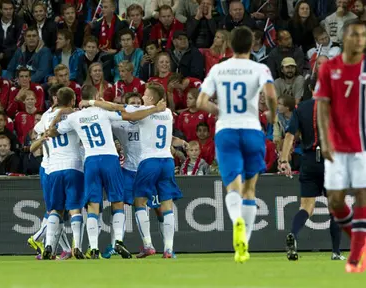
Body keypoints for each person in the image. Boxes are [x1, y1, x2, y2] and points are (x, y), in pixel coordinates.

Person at [50, 85, 166, 259]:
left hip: (91, 160)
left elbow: (52, 132)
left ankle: (94, 247)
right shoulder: (105, 112)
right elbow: (130, 115)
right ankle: (118, 240)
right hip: (110, 159)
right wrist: (154, 109)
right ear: (96, 97)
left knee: (93, 204)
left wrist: (58, 116)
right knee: (117, 201)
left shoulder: (75, 117)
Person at [196, 26, 277, 263]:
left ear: (230, 45)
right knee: (250, 188)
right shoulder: (259, 67)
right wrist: (271, 114)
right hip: (252, 129)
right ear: (252, 46)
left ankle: (236, 221)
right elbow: (271, 94)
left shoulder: (219, 69)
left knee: (233, 187)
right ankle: (246, 244)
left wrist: (218, 110)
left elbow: (201, 101)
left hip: (227, 130)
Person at [80, 83, 184, 259]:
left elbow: (120, 110)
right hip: (166, 161)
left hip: (148, 162)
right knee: (167, 204)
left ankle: (148, 245)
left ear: (150, 98)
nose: (141, 98)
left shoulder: (143, 114)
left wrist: (91, 102)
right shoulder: (167, 113)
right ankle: (168, 249)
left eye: (144, 95)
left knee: (139, 203)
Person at [314, 19, 366, 273]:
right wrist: (324, 140)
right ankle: (361, 243)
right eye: (356, 35)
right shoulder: (329, 68)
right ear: (345, 37)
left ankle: (356, 256)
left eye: (364, 36)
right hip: (336, 145)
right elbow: (321, 107)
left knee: (361, 195)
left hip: (363, 146)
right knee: (334, 201)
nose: (360, 40)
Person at [279, 99, 344, 261]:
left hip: (309, 160)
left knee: (306, 207)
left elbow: (289, 135)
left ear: (311, 87)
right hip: (332, 160)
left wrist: (284, 160)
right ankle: (336, 252)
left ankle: (293, 234)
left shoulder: (301, 108)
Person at [38, 87, 85, 260]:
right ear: (73, 100)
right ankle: (77, 246)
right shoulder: (76, 115)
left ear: (57, 100)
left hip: (54, 167)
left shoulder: (46, 116)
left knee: (55, 210)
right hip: (74, 165)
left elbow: (44, 133)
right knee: (74, 208)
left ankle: (49, 245)